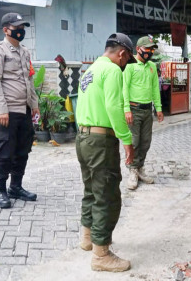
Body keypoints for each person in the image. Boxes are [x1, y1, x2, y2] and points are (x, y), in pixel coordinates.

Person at [75, 33, 135, 272]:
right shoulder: (111, 71)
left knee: (91, 189)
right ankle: (101, 254)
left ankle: (88, 238)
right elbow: (113, 106)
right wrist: (127, 140)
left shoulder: (89, 71)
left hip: (83, 137)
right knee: (107, 195)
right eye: (126, 60)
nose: (124, 65)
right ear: (122, 53)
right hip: (100, 141)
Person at [0, 12, 39, 209]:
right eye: (17, 28)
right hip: (6, 111)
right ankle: (0, 190)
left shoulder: (25, 52)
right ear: (6, 29)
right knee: (4, 153)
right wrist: (1, 109)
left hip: (24, 110)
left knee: (22, 150)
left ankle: (15, 187)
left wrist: (34, 106)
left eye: (22, 28)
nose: (21, 31)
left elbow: (30, 80)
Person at [123, 35, 164, 190]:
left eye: (152, 49)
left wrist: (158, 108)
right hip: (133, 109)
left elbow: (155, 89)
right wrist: (126, 109)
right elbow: (124, 88)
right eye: (147, 49)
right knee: (134, 141)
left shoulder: (152, 66)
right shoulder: (129, 66)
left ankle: (140, 168)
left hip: (147, 111)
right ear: (138, 49)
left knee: (145, 142)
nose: (150, 52)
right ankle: (132, 170)